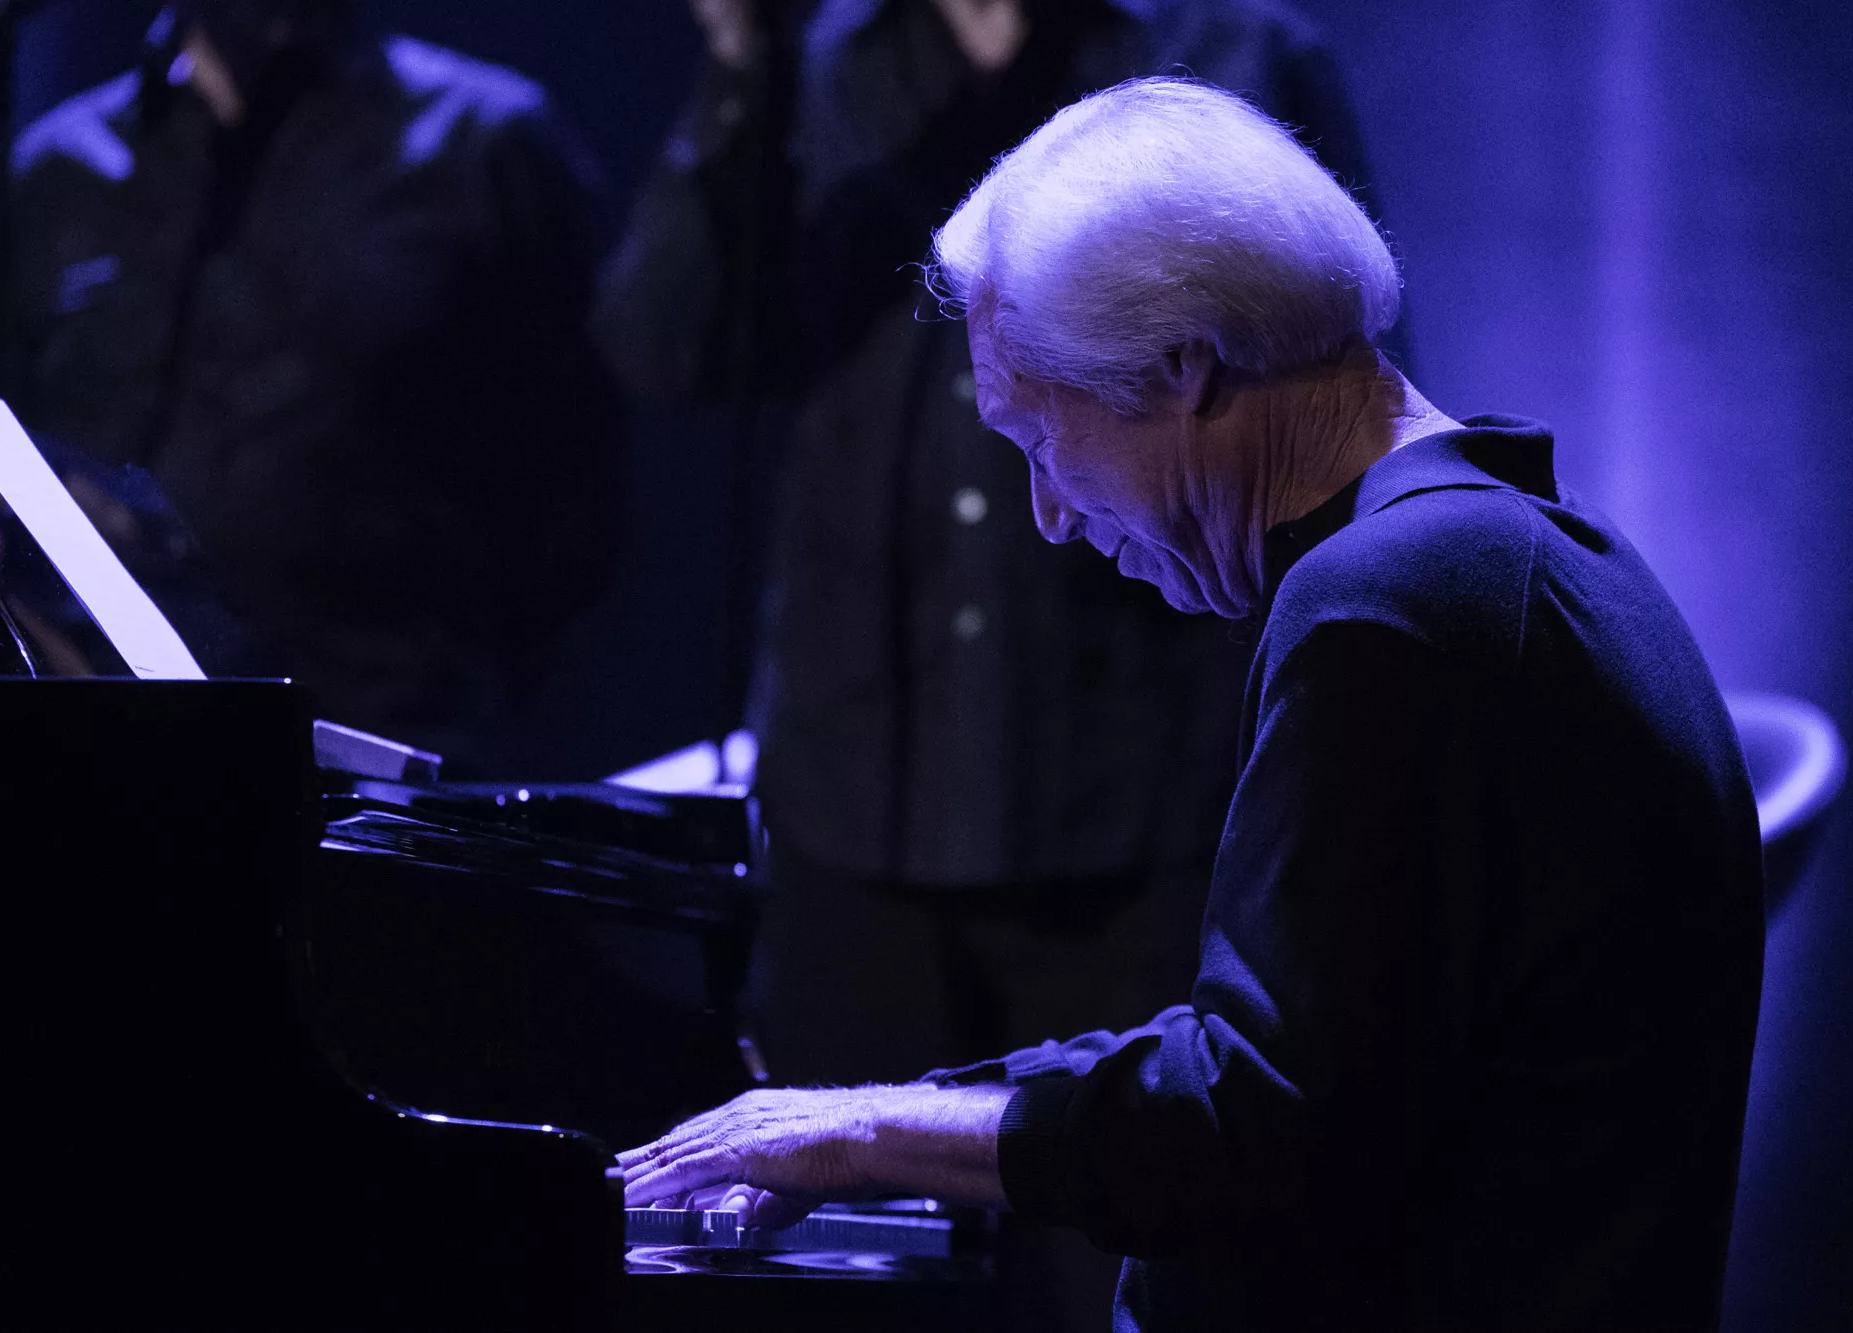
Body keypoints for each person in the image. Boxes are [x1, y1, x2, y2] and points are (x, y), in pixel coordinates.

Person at [618, 78, 1765, 1331]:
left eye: (1040, 441)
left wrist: (857, 1138)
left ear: (1181, 367)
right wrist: (888, 1114)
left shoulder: (1395, 601)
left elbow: (1252, 1128)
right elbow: (1309, 1063)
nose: (1051, 517)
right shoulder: (1513, 552)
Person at [6, 0, 624, 770]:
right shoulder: (59, 171)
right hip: (113, 747)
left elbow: (576, 500)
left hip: (388, 758)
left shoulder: (482, 144)